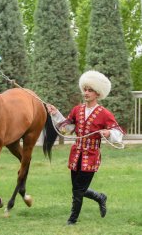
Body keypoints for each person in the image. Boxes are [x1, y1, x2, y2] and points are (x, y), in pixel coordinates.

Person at [46, 70, 124, 225]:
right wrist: (55, 114)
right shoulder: (77, 109)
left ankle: (72, 220)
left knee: (78, 190)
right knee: (77, 188)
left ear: (98, 93)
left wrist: (108, 133)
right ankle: (100, 197)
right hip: (76, 154)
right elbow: (66, 129)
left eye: (90, 90)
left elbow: (119, 133)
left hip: (91, 156)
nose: (86, 93)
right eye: (85, 89)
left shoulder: (104, 113)